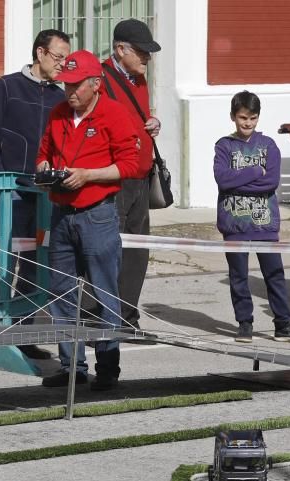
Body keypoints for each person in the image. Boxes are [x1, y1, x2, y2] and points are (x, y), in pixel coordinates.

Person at [36, 50, 139, 391]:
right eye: (66, 85)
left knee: (105, 292)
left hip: (97, 215)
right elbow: (43, 153)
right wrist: (44, 169)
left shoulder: (115, 114)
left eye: (76, 86)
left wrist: (88, 176)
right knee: (61, 292)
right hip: (62, 214)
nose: (69, 92)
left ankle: (108, 368)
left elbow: (132, 165)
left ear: (95, 84)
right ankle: (71, 367)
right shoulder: (58, 114)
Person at [0, 28, 70, 361]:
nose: (63, 64)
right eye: (59, 57)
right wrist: (0, 179)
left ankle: (24, 333)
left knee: (34, 264)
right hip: (11, 191)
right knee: (3, 260)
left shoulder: (62, 96)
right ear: (41, 53)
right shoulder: (7, 86)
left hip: (45, 195)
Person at [214, 91, 290, 345]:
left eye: (252, 118)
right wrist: (256, 170)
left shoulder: (268, 146)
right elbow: (222, 180)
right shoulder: (223, 146)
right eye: (242, 118)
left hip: (264, 224)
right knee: (239, 276)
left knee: (275, 274)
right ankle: (244, 323)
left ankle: (283, 325)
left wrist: (239, 182)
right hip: (234, 224)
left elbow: (270, 183)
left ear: (258, 117)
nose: (247, 123)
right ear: (233, 116)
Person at [101, 18, 162, 333]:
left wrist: (152, 123)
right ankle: (102, 316)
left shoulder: (140, 79)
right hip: (114, 179)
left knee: (137, 250)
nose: (146, 59)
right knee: (109, 249)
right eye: (141, 52)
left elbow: (137, 117)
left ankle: (127, 316)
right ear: (120, 49)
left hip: (141, 175)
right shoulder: (100, 78)